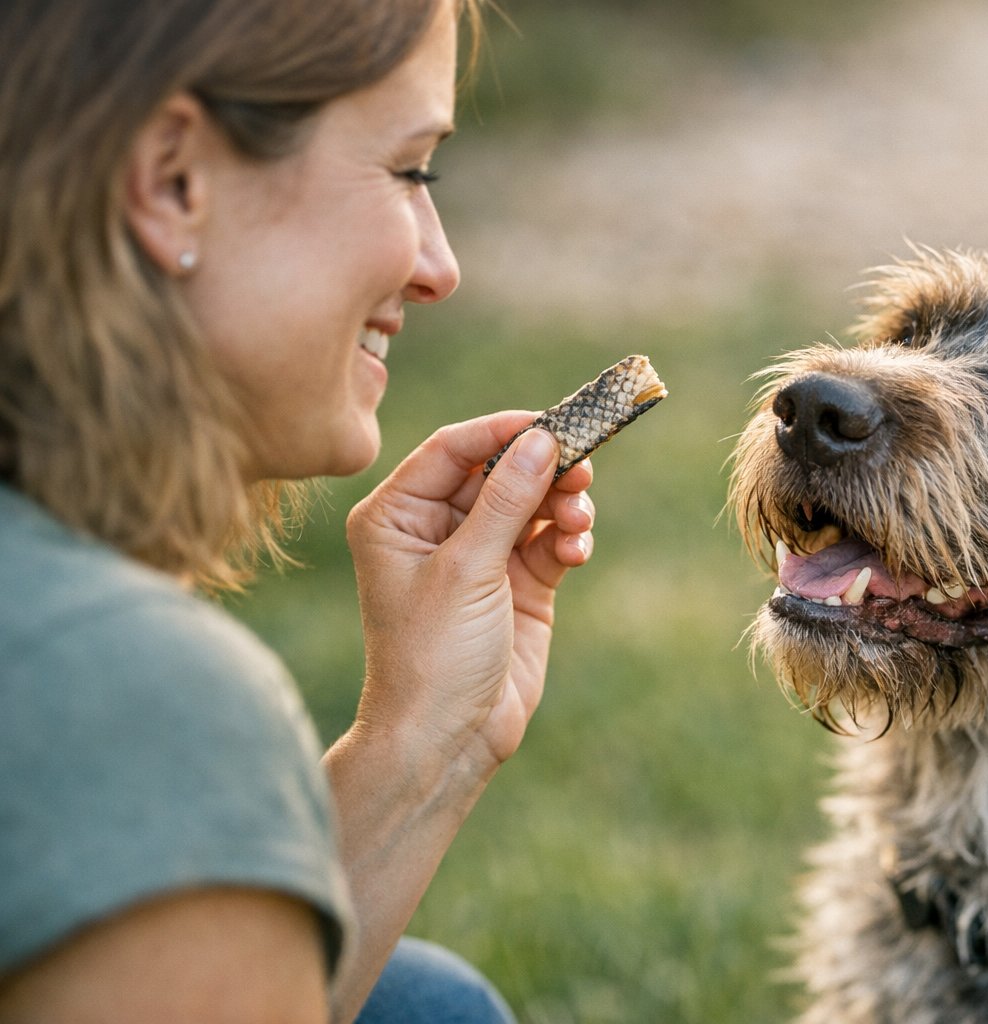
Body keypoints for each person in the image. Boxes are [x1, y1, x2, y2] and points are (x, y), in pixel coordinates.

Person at [0, 0, 596, 1020]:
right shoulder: (120, 686)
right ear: (173, 180)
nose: (440, 267)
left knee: (422, 1003)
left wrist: (426, 739)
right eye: (410, 172)